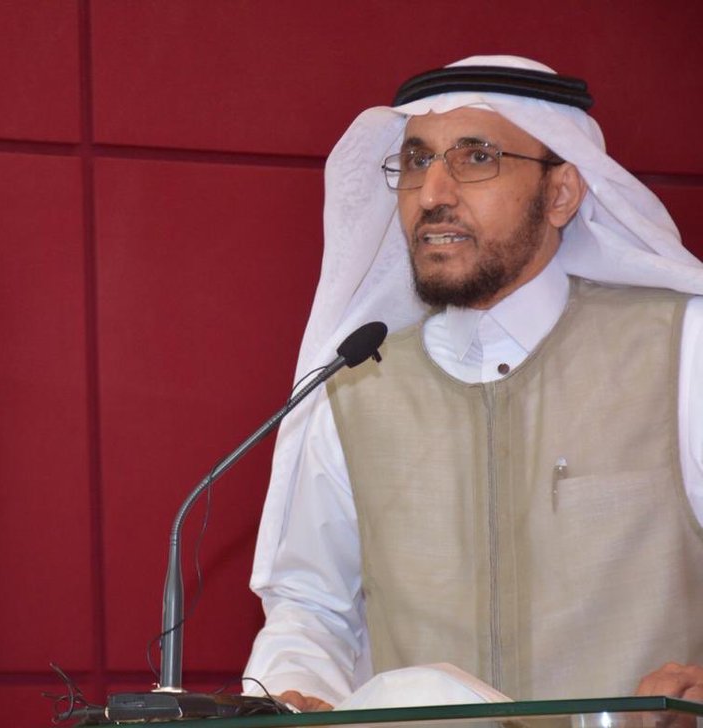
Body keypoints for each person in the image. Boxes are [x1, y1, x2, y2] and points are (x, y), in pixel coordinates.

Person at [243, 55, 703, 711]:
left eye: (476, 157)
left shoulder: (678, 350)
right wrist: (297, 696)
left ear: (561, 194)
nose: (433, 193)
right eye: (416, 161)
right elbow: (310, 609)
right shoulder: (356, 386)